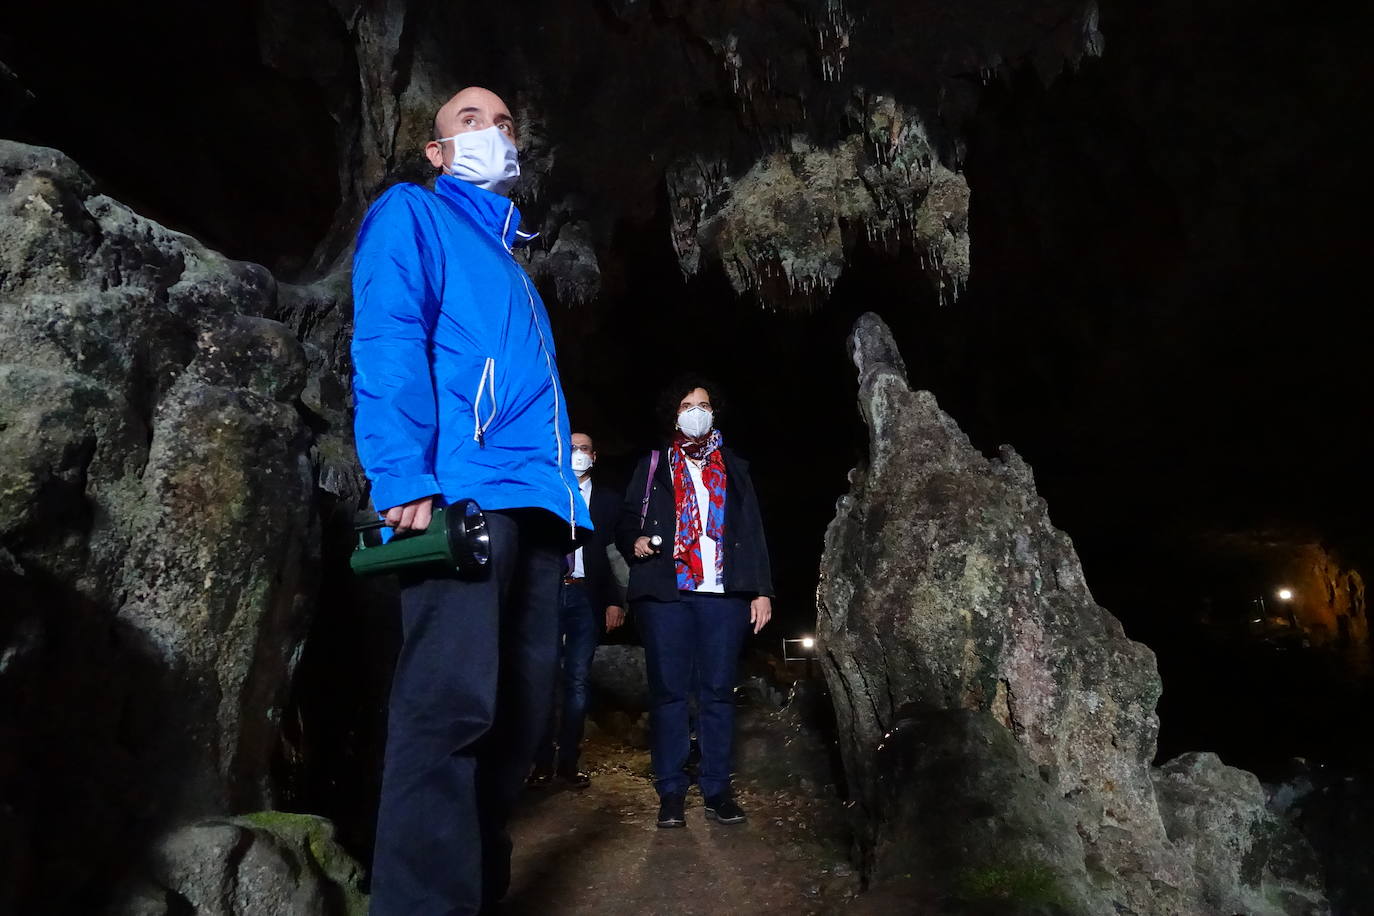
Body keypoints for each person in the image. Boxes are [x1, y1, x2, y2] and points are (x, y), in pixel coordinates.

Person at [350, 86, 591, 916]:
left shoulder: (512, 263)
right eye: (470, 120)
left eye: (504, 122)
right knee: (447, 714)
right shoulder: (412, 215)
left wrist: (568, 515)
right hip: (462, 493)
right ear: (437, 150)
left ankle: (475, 898)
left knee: (516, 725)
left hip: (535, 507)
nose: (494, 131)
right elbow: (388, 334)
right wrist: (402, 473)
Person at [617, 377, 773, 829]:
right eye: (687, 405)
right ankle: (670, 791)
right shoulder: (653, 465)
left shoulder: (735, 467)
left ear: (714, 413)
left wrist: (761, 590)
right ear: (675, 415)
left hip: (723, 595)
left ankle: (717, 789)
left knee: (719, 692)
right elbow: (626, 521)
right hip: (666, 593)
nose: (695, 411)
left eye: (703, 404)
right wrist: (638, 539)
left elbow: (753, 531)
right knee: (668, 692)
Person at [531, 432, 626, 788]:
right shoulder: (546, 492)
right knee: (542, 677)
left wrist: (616, 600)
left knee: (577, 681)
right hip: (547, 594)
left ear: (594, 456)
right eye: (571, 448)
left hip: (587, 596)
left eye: (584, 448)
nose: (577, 454)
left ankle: (568, 763)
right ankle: (539, 763)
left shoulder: (609, 501)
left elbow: (613, 553)